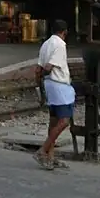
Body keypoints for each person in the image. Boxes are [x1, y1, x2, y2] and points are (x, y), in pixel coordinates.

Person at [34, 19, 75, 171]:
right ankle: (43, 150)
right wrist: (47, 73)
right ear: (64, 32)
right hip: (59, 86)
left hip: (49, 85)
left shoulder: (45, 44)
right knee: (64, 121)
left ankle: (50, 158)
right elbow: (48, 67)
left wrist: (40, 89)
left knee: (53, 122)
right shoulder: (60, 45)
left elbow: (37, 70)